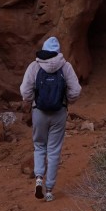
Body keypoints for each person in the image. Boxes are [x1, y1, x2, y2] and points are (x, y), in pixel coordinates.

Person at [20, 35, 81, 202]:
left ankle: (39, 177)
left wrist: (33, 100)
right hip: (59, 112)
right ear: (58, 52)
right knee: (54, 151)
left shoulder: (35, 66)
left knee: (39, 146)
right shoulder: (65, 66)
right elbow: (75, 91)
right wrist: (66, 100)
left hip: (39, 112)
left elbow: (25, 91)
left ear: (45, 50)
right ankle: (49, 190)